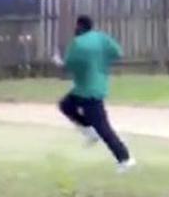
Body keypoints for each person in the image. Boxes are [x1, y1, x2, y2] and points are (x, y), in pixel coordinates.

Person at [54, 15, 136, 172]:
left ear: (79, 26)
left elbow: (69, 65)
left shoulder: (77, 43)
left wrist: (58, 62)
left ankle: (125, 158)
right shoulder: (102, 38)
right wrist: (102, 62)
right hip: (96, 87)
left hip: (86, 91)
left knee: (103, 128)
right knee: (66, 104)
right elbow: (117, 53)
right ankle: (89, 132)